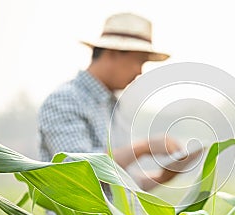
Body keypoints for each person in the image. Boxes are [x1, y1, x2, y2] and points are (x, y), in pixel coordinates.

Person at [38, 13, 184, 191]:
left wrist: (162, 177)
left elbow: (119, 184)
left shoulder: (111, 105)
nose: (139, 71)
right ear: (112, 53)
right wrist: (144, 147)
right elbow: (78, 172)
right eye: (139, 61)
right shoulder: (65, 101)